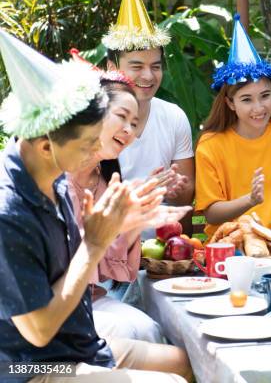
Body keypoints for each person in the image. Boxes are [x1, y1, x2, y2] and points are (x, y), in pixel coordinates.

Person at [0, 29, 192, 382]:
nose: (97, 153)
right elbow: (39, 330)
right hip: (29, 366)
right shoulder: (8, 212)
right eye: (89, 144)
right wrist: (94, 243)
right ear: (46, 144)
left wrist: (124, 223)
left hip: (77, 346)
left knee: (187, 361)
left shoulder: (51, 175)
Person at [67, 71, 191, 344]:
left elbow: (110, 267)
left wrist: (136, 217)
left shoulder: (105, 181)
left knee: (150, 330)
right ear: (93, 110)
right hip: (49, 305)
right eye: (122, 117)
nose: (129, 130)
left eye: (134, 124)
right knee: (129, 333)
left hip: (90, 298)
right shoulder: (54, 172)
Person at [194, 14, 271, 241]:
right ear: (230, 103)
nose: (259, 107)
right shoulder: (211, 144)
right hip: (230, 246)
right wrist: (251, 200)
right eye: (247, 99)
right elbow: (211, 214)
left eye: (265, 96)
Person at [103, 0, 194, 236]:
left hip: (163, 251)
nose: (148, 76)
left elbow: (185, 199)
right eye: (137, 66)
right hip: (107, 250)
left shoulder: (174, 116)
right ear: (112, 68)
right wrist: (146, 189)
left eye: (155, 66)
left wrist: (176, 189)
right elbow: (84, 201)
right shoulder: (92, 121)